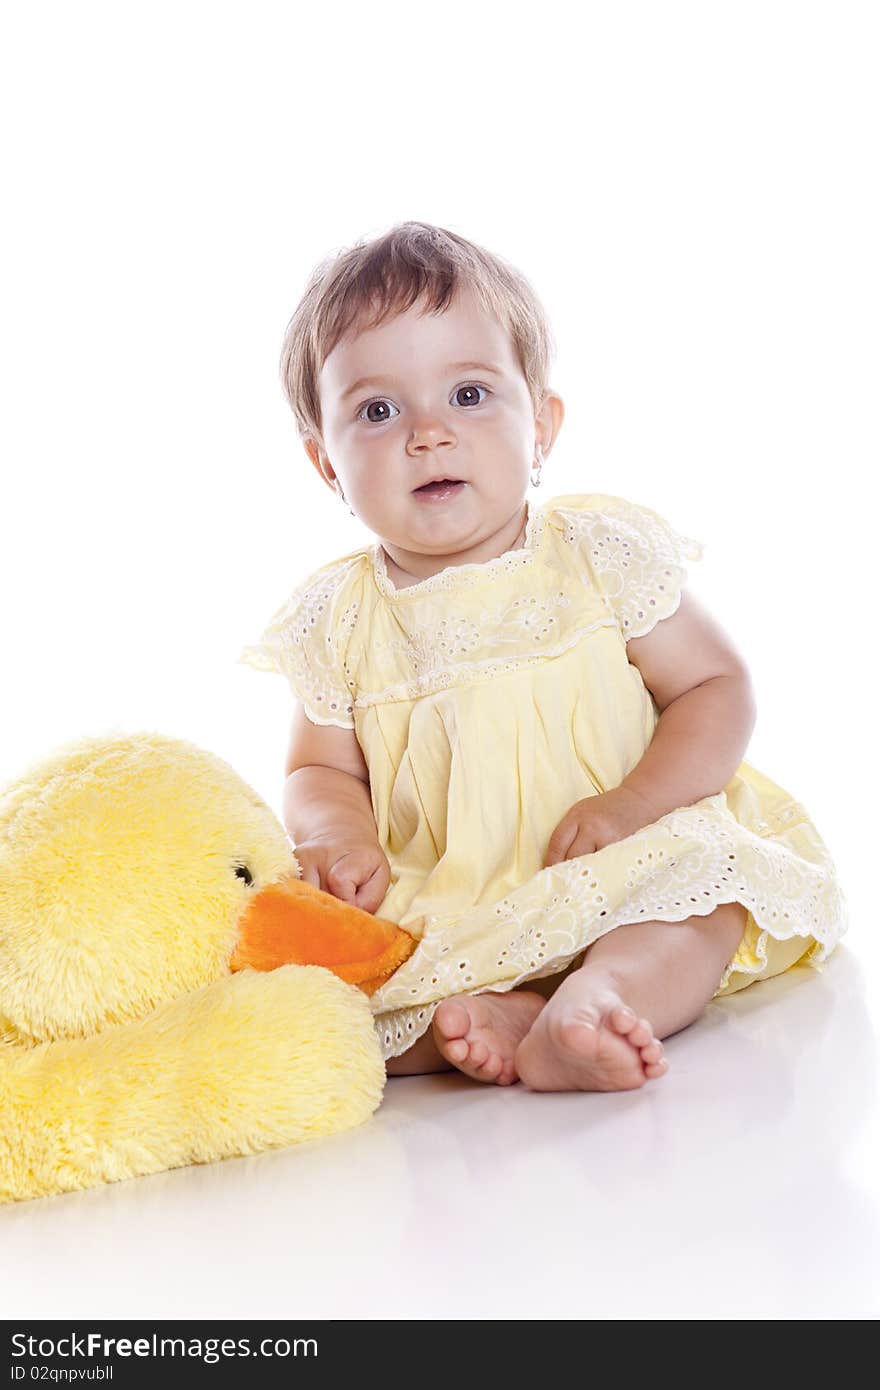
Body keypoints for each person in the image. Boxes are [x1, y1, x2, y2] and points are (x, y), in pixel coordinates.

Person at [239, 220, 847, 1092]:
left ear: (543, 426)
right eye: (378, 411)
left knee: (701, 903)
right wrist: (339, 833)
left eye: (471, 395)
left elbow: (716, 687)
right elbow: (316, 768)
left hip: (625, 854)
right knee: (361, 1005)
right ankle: (507, 1010)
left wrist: (637, 803)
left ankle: (595, 995)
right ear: (325, 464)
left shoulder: (593, 556)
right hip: (458, 889)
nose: (428, 434)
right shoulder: (341, 618)